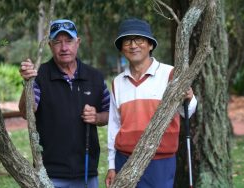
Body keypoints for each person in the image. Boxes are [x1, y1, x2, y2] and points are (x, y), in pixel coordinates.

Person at [105, 18, 197, 188]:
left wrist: (190, 97)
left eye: (139, 39)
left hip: (160, 161)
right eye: (127, 41)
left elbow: (187, 112)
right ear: (121, 48)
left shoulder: (170, 74)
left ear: (150, 45)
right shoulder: (117, 82)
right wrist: (111, 165)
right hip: (124, 159)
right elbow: (114, 126)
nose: (133, 45)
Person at [18, 19, 110, 188]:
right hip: (50, 173)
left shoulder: (95, 77)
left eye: (69, 41)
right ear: (49, 45)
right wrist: (28, 83)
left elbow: (110, 114)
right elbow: (26, 112)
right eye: (57, 42)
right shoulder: (40, 76)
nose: (64, 47)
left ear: (78, 42)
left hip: (87, 172)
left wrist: (97, 117)